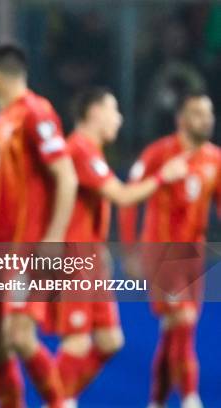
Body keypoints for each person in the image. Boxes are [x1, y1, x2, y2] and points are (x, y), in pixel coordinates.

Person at [56, 87, 188, 405]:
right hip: (72, 259)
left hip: (91, 258)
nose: (120, 118)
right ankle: (56, 399)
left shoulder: (92, 151)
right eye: (114, 110)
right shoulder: (80, 150)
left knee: (109, 340)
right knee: (76, 341)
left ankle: (63, 397)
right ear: (94, 112)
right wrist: (162, 177)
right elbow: (122, 196)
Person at [0, 43, 78, 408]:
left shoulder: (37, 111)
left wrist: (53, 239)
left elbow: (66, 177)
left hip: (27, 247)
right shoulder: (2, 121)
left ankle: (59, 402)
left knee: (20, 335)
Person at [119, 91, 221, 408]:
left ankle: (157, 401)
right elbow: (128, 199)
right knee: (184, 320)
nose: (206, 119)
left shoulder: (215, 158)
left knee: (173, 329)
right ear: (181, 119)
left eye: (209, 113)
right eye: (198, 113)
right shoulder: (159, 153)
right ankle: (191, 397)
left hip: (194, 254)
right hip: (160, 253)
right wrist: (128, 248)